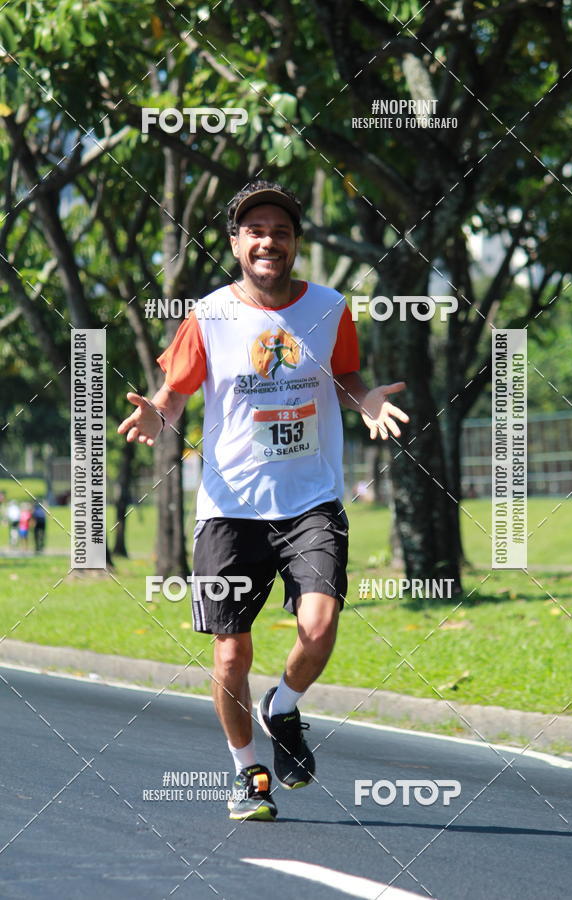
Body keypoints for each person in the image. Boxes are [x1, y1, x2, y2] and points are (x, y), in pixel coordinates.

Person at [118, 181, 409, 821]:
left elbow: (348, 376)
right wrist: (156, 416)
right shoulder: (210, 315)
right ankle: (248, 771)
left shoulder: (330, 308)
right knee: (230, 652)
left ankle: (282, 708)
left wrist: (370, 402)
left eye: (279, 230)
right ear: (236, 244)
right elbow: (174, 394)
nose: (267, 240)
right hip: (229, 509)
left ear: (295, 243)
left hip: (311, 501)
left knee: (321, 624)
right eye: (255, 231)